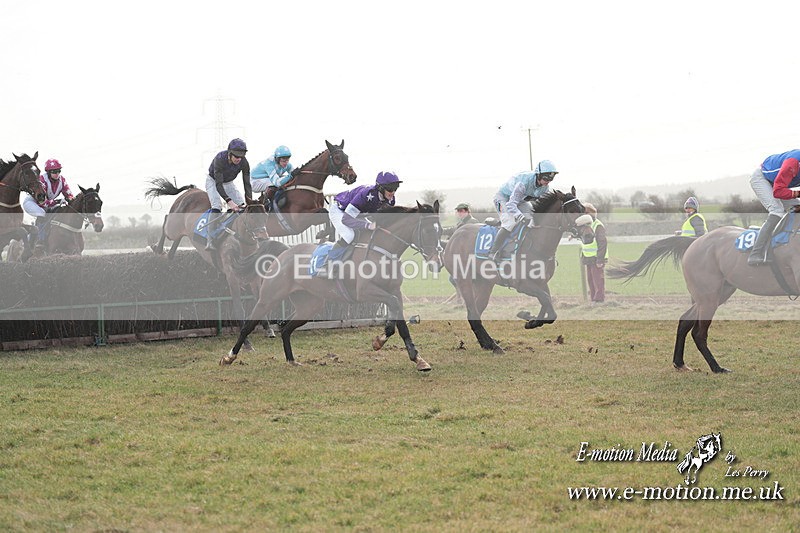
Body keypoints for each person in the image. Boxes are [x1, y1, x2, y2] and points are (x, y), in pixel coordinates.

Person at [487, 160, 558, 261]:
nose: (548, 181)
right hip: (503, 199)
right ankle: (493, 252)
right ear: (539, 174)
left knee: (533, 221)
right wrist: (521, 217)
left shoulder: (545, 188)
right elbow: (511, 204)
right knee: (510, 223)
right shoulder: (523, 183)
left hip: (520, 201)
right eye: (546, 177)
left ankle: (525, 249)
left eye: (551, 178)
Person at [327, 171, 401, 259]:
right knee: (349, 236)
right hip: (340, 212)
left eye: (395, 188)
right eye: (390, 188)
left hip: (358, 214)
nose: (393, 192)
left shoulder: (390, 200)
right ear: (380, 188)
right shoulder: (365, 195)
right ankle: (328, 261)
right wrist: (367, 225)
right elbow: (346, 219)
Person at [747, 149, 800, 266]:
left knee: (798, 208)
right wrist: (798, 193)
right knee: (777, 211)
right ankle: (756, 252)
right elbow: (778, 192)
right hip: (762, 179)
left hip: (778, 183)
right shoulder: (793, 163)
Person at [205, 138, 252, 250]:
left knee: (243, 206)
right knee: (217, 206)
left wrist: (250, 201)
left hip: (229, 182)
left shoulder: (244, 162)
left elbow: (247, 184)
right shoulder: (220, 159)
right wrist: (229, 202)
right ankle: (209, 239)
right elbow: (219, 185)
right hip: (214, 181)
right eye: (236, 156)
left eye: (241, 156)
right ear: (230, 154)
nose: (238, 159)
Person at [21, 158, 74, 250]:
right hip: (32, 202)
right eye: (54, 171)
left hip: (45, 203)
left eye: (58, 171)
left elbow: (68, 193)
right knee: (42, 214)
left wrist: (70, 199)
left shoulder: (62, 180)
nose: (57, 174)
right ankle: (37, 240)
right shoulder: (41, 180)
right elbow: (42, 202)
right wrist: (57, 202)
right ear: (48, 172)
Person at [580, 202, 608, 304]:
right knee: (590, 280)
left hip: (597, 258)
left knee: (598, 280)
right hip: (588, 257)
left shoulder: (598, 225)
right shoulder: (586, 225)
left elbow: (602, 243)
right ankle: (593, 299)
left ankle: (599, 300)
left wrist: (600, 260)